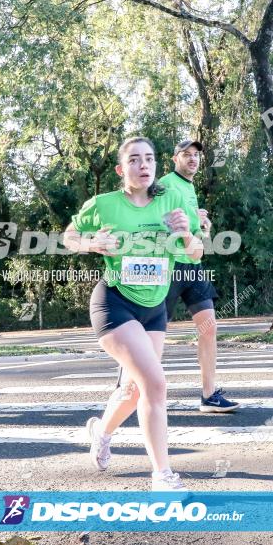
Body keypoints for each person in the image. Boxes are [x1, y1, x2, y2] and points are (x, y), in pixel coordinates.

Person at [63, 136, 203, 491]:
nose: (144, 165)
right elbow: (68, 237)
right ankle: (163, 476)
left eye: (150, 159)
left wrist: (185, 234)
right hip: (115, 302)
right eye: (135, 160)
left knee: (135, 389)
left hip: (154, 307)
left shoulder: (173, 199)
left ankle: (102, 432)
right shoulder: (104, 204)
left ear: (156, 165)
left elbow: (198, 252)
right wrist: (91, 243)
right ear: (121, 169)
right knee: (155, 384)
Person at [157, 139, 239, 412]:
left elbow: (195, 238)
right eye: (186, 155)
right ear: (174, 158)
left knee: (209, 326)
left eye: (196, 156)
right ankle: (131, 389)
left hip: (191, 268)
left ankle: (209, 395)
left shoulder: (189, 188)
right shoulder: (166, 184)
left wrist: (202, 226)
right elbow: (158, 221)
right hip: (168, 268)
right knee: (153, 334)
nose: (193, 159)